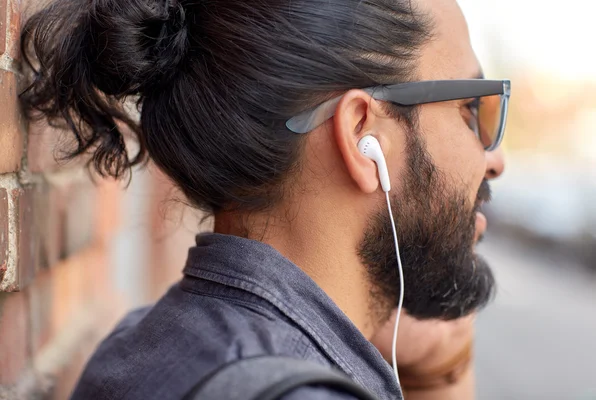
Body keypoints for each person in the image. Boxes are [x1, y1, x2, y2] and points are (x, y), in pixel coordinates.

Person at [20, 0, 508, 397]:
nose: (495, 158)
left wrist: (434, 377)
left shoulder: (138, 344)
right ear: (365, 135)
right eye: (471, 110)